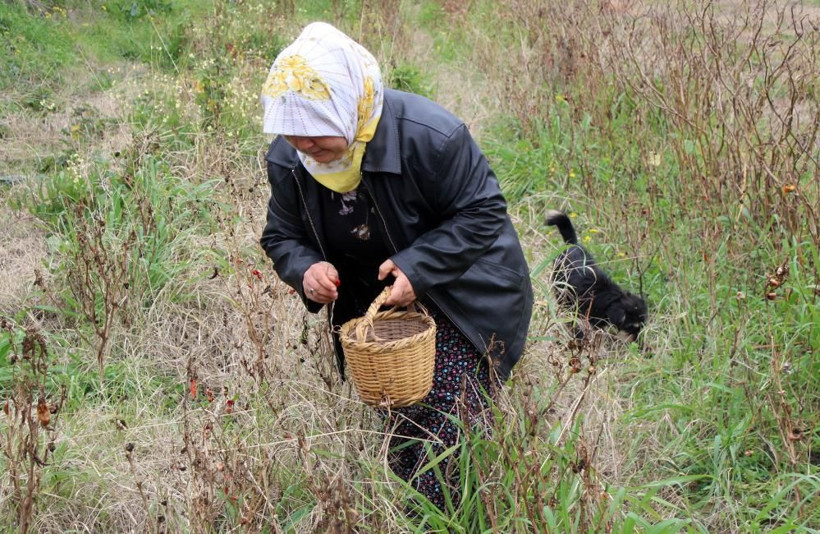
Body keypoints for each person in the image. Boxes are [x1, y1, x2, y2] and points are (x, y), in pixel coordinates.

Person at [259, 22, 533, 511]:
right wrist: (305, 269)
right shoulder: (290, 159)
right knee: (403, 410)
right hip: (377, 300)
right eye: (293, 136)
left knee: (445, 415)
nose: (304, 148)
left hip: (463, 288)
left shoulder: (432, 137)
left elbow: (484, 212)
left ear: (348, 107)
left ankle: (444, 514)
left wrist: (418, 268)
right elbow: (281, 235)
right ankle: (414, 499)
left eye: (315, 136)